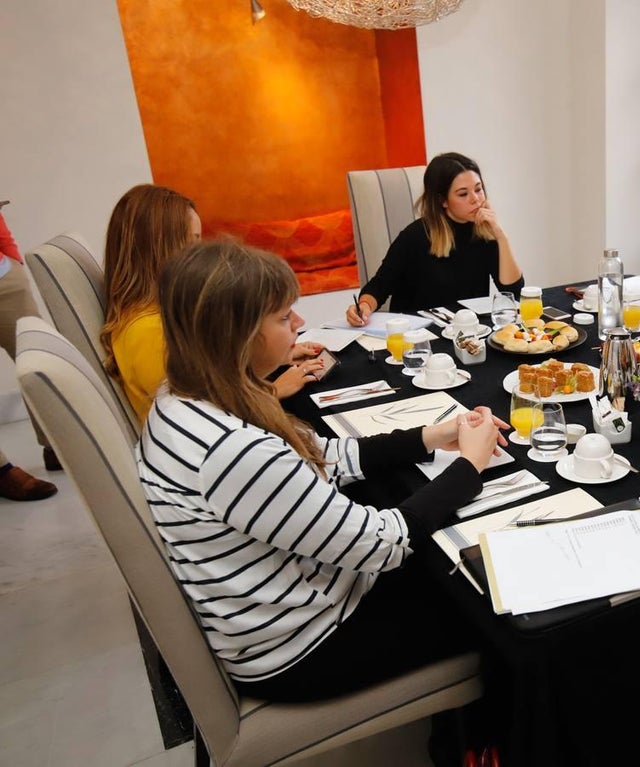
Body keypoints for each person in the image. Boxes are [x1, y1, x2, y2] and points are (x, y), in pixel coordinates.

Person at [137, 240, 508, 701]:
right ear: (236, 334)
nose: (298, 323)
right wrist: (469, 466)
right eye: (281, 316)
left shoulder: (183, 395)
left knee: (444, 548)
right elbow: (383, 544)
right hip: (302, 646)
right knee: (497, 610)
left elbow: (324, 456)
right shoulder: (233, 451)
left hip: (270, 608)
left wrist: (433, 436)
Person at [100, 185, 326, 424]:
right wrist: (274, 390)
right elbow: (206, 416)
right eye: (194, 241)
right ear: (165, 249)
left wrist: (275, 355)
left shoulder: (150, 315)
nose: (201, 253)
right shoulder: (151, 333)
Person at [345, 152, 524, 323]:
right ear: (442, 201)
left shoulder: (484, 232)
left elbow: (514, 293)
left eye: (478, 189)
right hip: (419, 338)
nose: (475, 199)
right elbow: (379, 286)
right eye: (463, 194)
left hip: (470, 336)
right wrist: (363, 306)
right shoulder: (414, 236)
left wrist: (501, 237)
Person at [0, 203, 59, 501]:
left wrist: (11, 256)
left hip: (4, 277)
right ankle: (1, 471)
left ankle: (56, 445)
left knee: (38, 360)